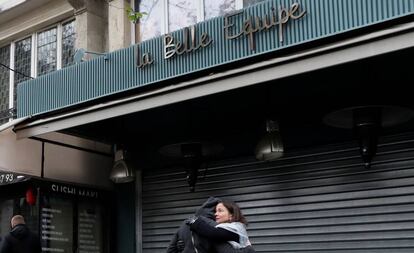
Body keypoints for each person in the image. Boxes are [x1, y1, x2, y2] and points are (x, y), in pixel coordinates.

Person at [187, 200, 256, 253]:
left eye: (220, 211)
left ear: (231, 215)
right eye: (216, 211)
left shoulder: (235, 228)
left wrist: (195, 222)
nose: (216, 214)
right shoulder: (226, 228)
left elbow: (213, 233)